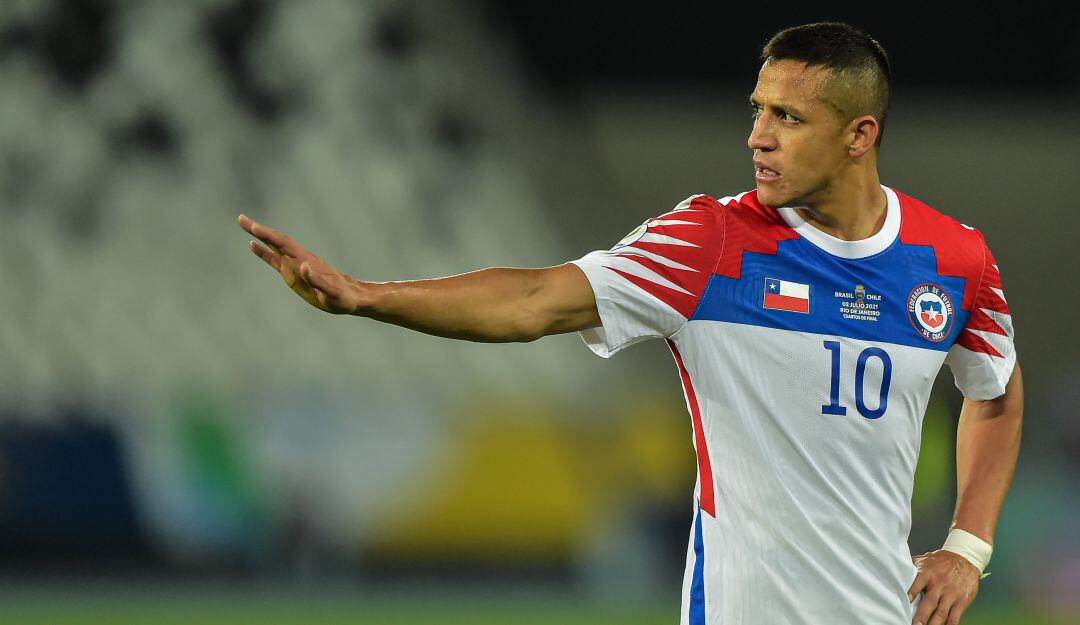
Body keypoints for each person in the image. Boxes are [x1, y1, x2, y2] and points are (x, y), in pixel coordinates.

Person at [236, 21, 1022, 625]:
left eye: (787, 116)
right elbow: (534, 300)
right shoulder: (711, 243)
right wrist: (368, 295)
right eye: (757, 109)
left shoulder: (954, 260)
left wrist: (966, 546)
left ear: (860, 135)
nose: (757, 135)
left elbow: (996, 391)